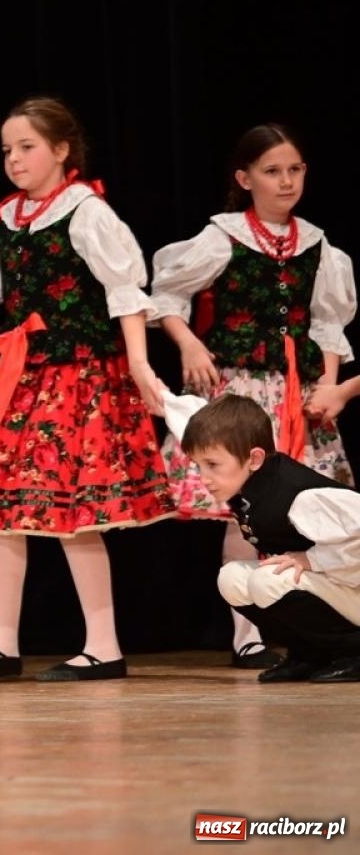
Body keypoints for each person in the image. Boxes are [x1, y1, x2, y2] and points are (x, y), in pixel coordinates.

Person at [0, 97, 174, 682]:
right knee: (0, 510)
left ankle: (103, 645)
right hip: (19, 377)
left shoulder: (86, 212)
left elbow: (126, 294)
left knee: (78, 513)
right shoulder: (9, 218)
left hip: (78, 376)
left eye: (27, 147)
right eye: (7, 150)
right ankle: (2, 645)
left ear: (61, 150)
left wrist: (141, 367)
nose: (15, 160)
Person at [150, 123, 356, 668]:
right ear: (245, 179)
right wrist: (190, 342)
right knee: (245, 510)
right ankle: (250, 634)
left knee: (309, 515)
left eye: (295, 169)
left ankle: (323, 632)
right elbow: (168, 293)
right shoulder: (223, 236)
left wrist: (329, 384)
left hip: (300, 394)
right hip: (243, 389)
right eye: (272, 171)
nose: (286, 181)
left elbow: (327, 326)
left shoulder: (318, 245)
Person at [179, 394, 360, 682]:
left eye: (213, 465)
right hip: (339, 586)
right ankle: (309, 654)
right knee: (232, 579)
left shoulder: (300, 497)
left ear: (254, 458)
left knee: (268, 581)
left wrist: (312, 559)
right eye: (198, 466)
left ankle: (353, 653)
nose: (204, 477)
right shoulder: (252, 489)